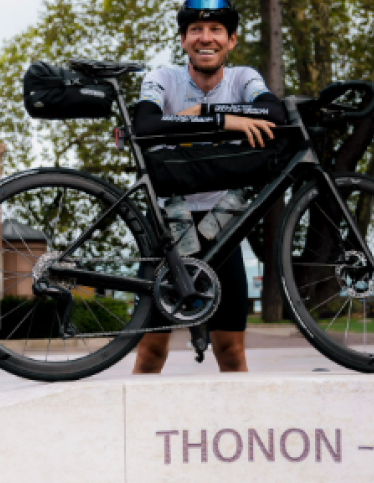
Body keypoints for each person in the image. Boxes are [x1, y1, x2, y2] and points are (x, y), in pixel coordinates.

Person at [132, 0, 287, 374]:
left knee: (231, 350)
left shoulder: (243, 79)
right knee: (151, 350)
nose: (206, 38)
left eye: (217, 30)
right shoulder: (162, 78)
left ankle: (244, 427)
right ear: (183, 40)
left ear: (231, 40)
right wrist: (217, 118)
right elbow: (145, 125)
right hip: (168, 221)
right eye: (196, 31)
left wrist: (201, 116)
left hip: (222, 223)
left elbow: (276, 114)